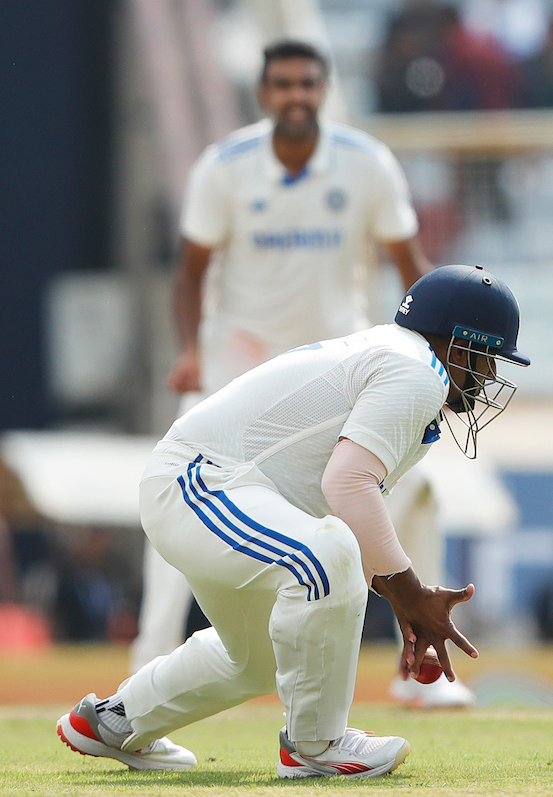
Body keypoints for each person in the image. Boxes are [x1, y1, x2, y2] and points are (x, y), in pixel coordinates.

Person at [56, 264, 530, 776]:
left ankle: (116, 720)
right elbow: (347, 485)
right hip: (202, 481)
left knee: (258, 657)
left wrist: (402, 596)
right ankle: (316, 745)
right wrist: (410, 593)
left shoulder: (399, 356)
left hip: (217, 486)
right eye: (486, 360)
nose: (486, 378)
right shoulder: (416, 371)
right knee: (328, 553)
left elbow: (342, 498)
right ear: (461, 346)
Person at [134, 39, 474, 705]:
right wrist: (189, 353)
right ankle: (147, 654)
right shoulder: (225, 166)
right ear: (264, 96)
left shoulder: (366, 162)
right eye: (283, 85)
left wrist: (436, 352)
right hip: (242, 366)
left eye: (308, 85)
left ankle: (419, 672)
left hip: (336, 368)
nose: (296, 96)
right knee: (179, 487)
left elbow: (412, 265)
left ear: (323, 90)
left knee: (418, 492)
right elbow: (191, 272)